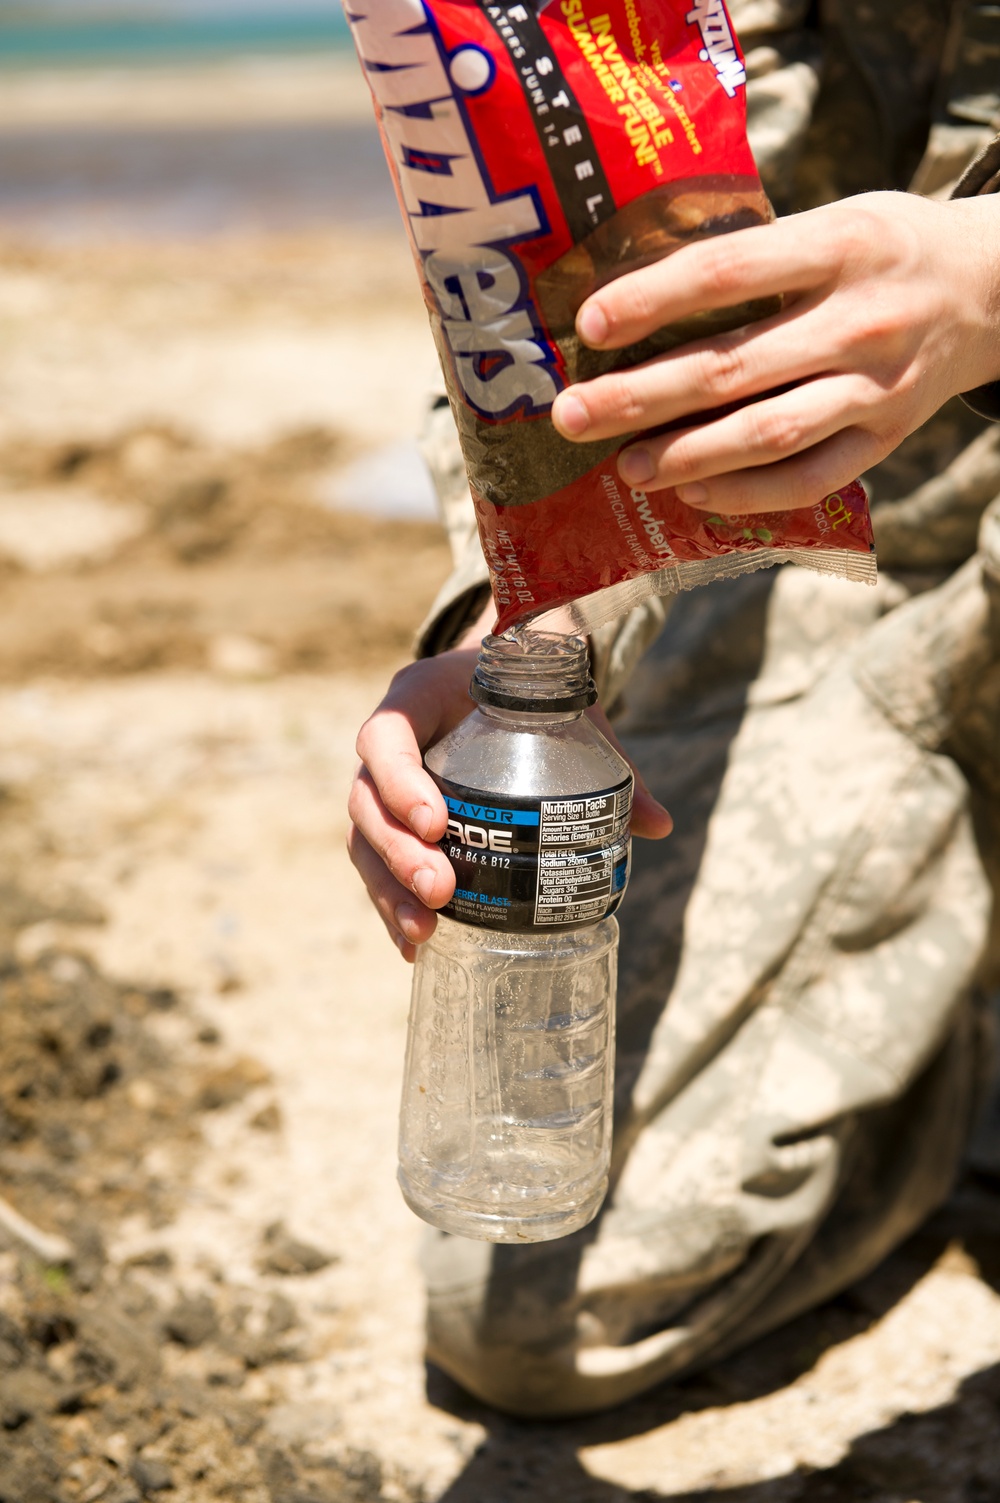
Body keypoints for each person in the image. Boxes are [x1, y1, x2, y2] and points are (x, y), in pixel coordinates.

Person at [348, 1, 1000, 1416]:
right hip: (859, 576)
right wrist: (525, 629)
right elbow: (593, 280)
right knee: (540, 1312)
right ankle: (953, 1052)